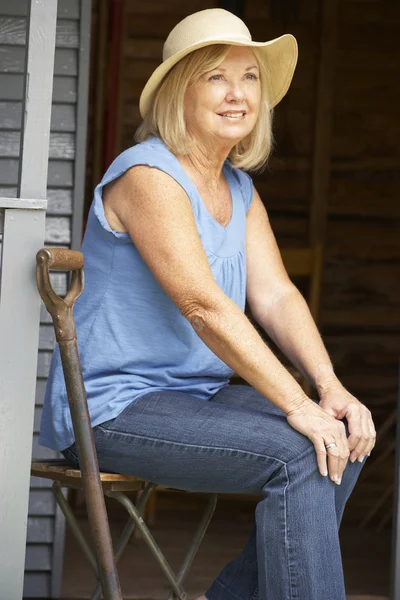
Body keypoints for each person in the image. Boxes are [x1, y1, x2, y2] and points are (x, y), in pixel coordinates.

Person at [40, 8, 376, 600]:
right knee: (299, 453)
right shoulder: (149, 176)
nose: (238, 94)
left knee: (340, 439)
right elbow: (204, 304)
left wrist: (329, 388)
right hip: (116, 408)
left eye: (249, 78)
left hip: (197, 397)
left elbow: (275, 294)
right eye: (217, 77)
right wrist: (295, 403)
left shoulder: (238, 189)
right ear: (179, 91)